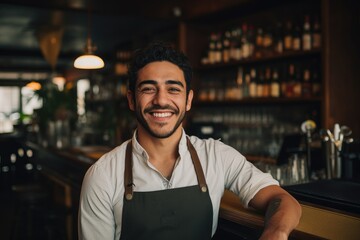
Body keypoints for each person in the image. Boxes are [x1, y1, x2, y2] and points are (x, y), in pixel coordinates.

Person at [78, 41, 302, 240]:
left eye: (173, 89)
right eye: (148, 89)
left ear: (188, 100)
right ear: (131, 99)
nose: (161, 100)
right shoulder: (102, 175)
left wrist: (276, 232)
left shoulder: (216, 156)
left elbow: (281, 200)